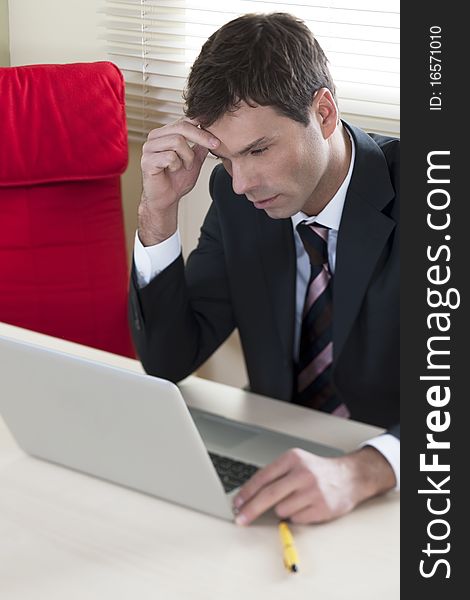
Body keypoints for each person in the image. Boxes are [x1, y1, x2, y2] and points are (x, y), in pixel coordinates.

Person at [129, 12, 399, 525]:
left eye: (258, 149)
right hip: (277, 458)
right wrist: (157, 215)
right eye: (225, 159)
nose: (240, 182)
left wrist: (366, 469)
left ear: (322, 113)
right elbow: (169, 359)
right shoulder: (237, 204)